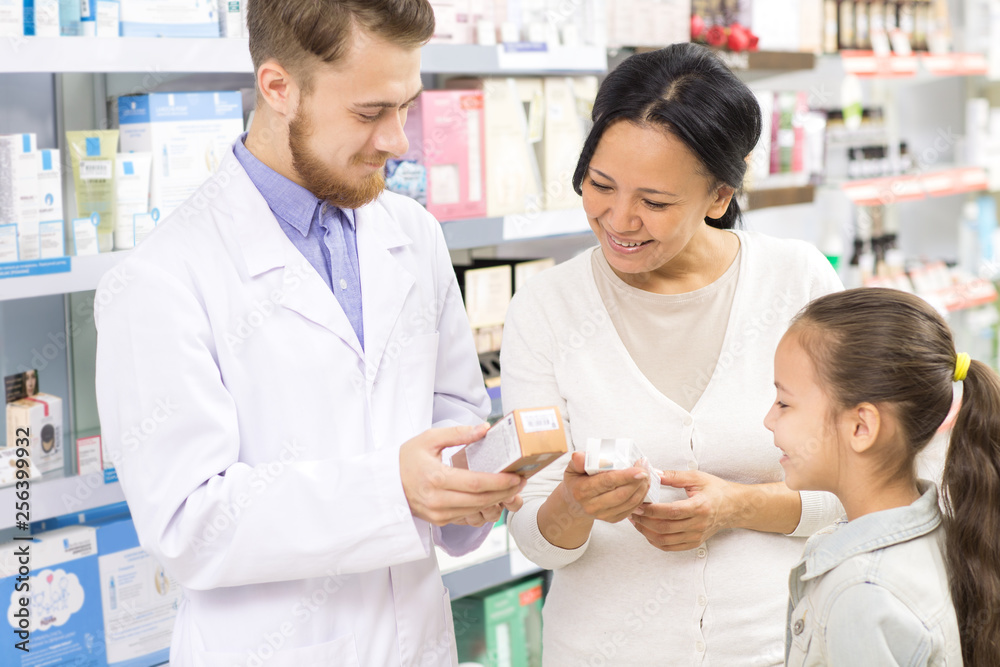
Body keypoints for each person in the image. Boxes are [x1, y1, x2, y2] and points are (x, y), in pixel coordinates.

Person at [93, 2, 523, 665]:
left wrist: (477, 482)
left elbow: (453, 417)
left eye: (406, 106)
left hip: (419, 643)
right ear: (277, 88)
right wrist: (393, 490)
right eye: (370, 112)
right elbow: (187, 523)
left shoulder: (413, 234)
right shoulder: (161, 278)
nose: (398, 141)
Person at [501, 43, 844, 665]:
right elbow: (533, 539)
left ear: (718, 196)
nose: (619, 219)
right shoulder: (546, 307)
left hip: (778, 646)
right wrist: (573, 505)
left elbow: (862, 491)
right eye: (599, 185)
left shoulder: (796, 282)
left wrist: (740, 506)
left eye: (655, 202)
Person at [767, 288, 1000, 666]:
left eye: (784, 403)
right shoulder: (946, 536)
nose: (769, 419)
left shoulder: (862, 594)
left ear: (861, 426)